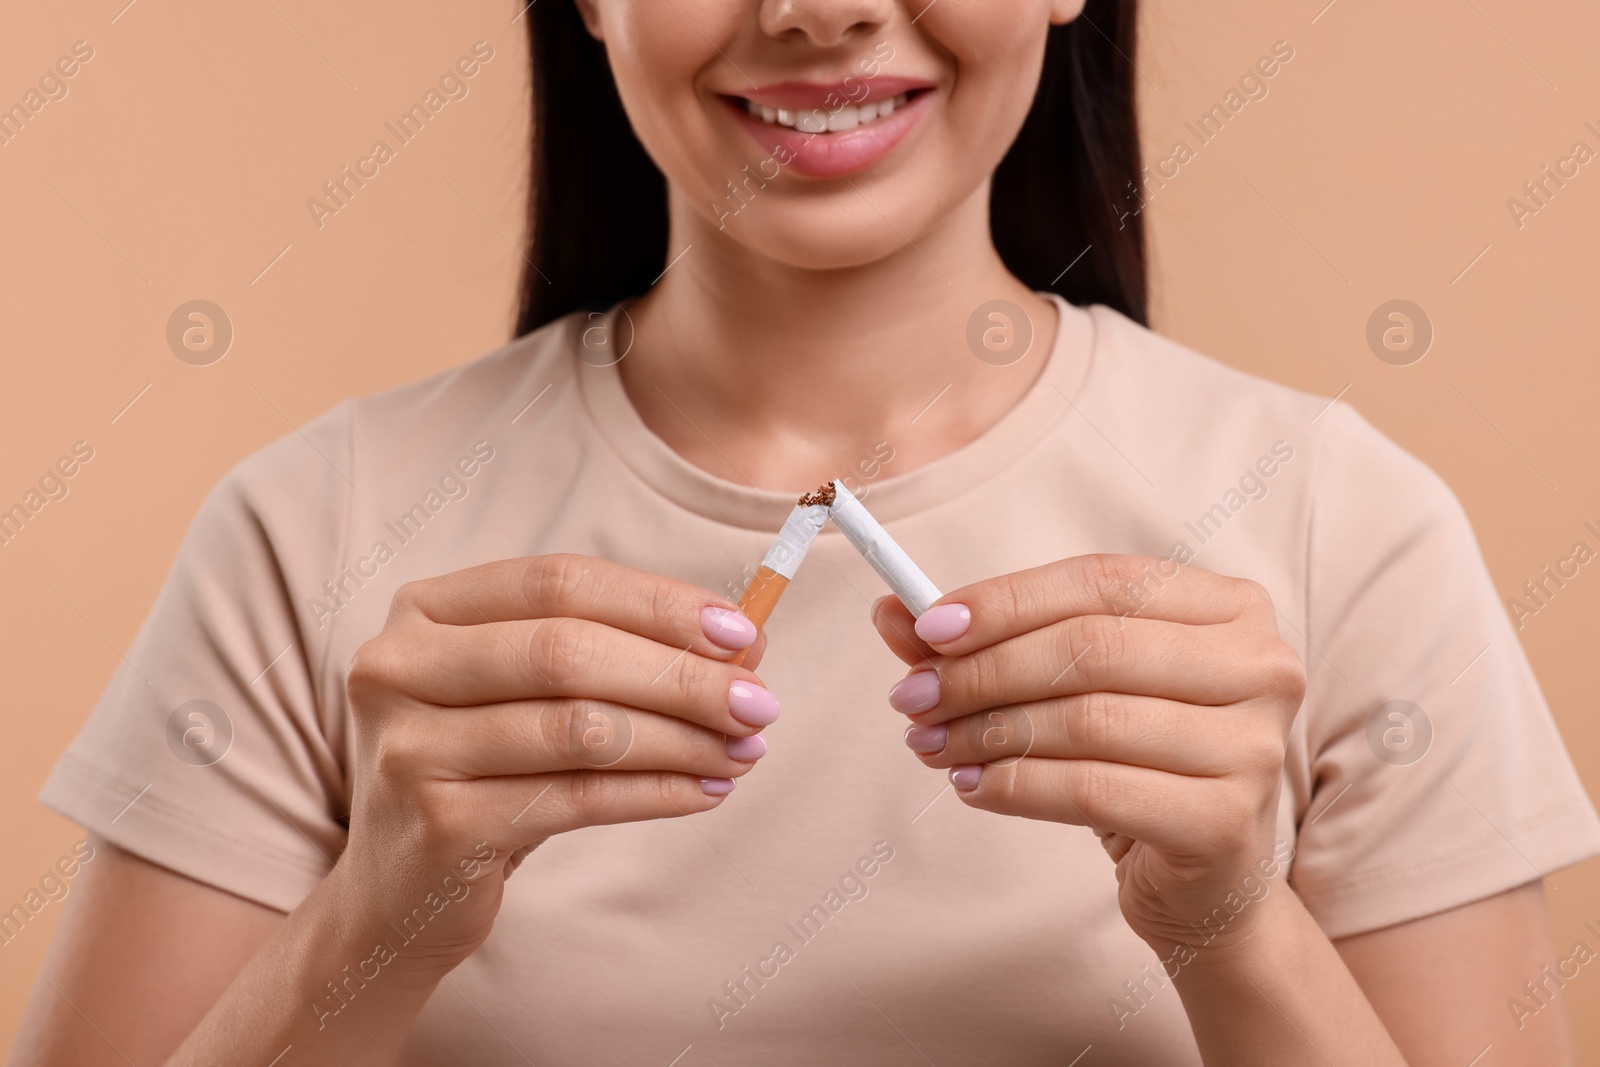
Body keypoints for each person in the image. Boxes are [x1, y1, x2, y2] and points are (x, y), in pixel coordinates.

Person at [15, 1, 1599, 1064]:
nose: (817, 1)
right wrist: (378, 924)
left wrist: (1235, 930)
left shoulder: (1342, 520)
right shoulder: (314, 531)